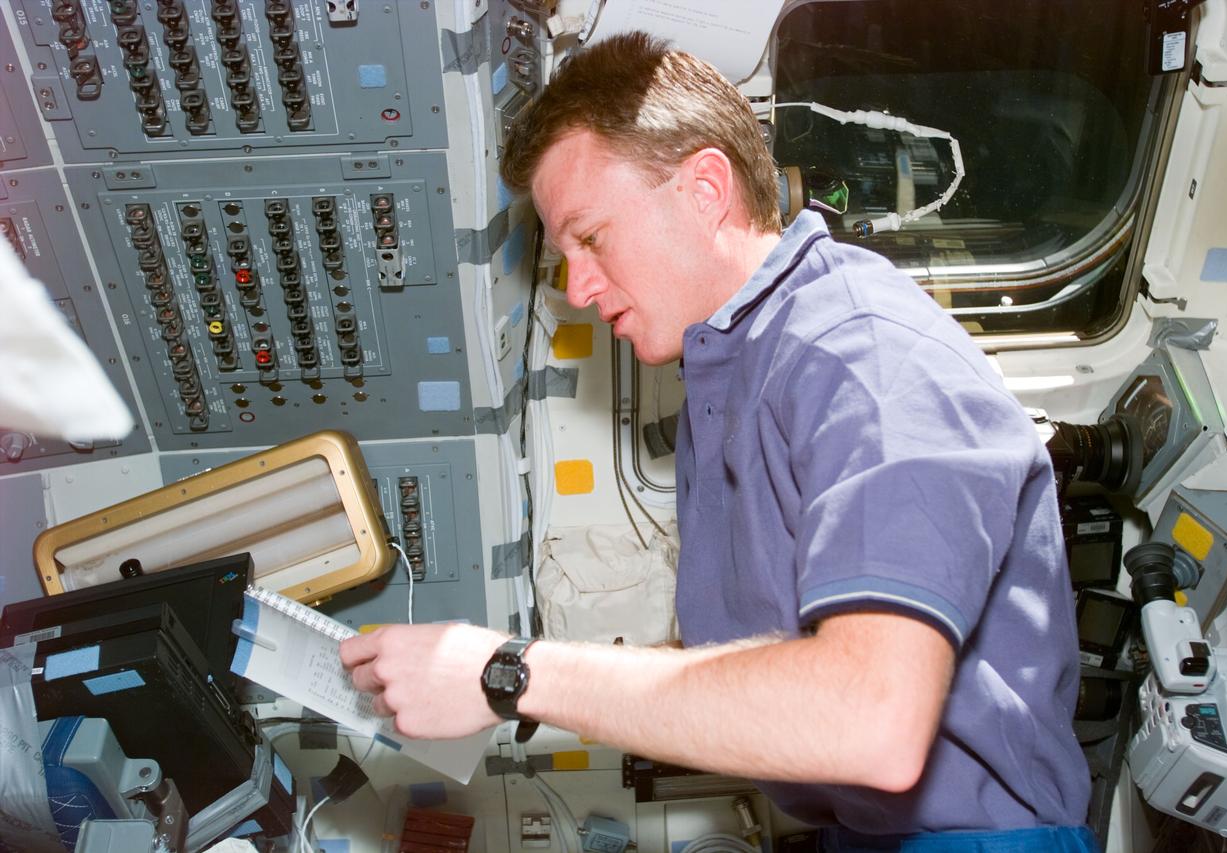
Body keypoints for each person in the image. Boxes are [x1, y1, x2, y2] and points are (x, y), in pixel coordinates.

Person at [341, 32, 1096, 852]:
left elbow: (870, 717)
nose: (581, 289)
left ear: (705, 189)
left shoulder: (862, 357)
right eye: (564, 259)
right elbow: (756, 666)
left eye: (592, 238)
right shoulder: (734, 367)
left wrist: (508, 673)